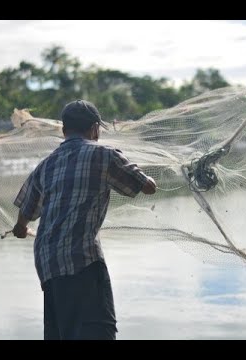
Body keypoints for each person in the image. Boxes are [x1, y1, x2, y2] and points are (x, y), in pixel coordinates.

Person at [12, 100, 156, 340]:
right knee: (98, 332)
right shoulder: (104, 155)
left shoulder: (46, 165)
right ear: (95, 129)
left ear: (64, 130)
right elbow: (147, 187)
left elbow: (25, 213)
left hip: (49, 265)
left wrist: (20, 227)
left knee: (62, 334)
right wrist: (153, 179)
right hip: (82, 261)